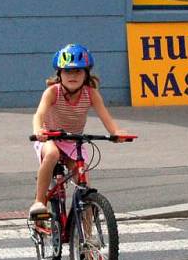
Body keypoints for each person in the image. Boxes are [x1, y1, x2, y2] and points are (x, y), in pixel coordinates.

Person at [30, 44, 129, 218]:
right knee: (52, 155)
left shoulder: (91, 94)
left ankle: (88, 238)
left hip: (73, 141)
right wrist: (39, 130)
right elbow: (38, 115)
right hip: (49, 138)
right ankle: (39, 201)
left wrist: (116, 132)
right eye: (67, 72)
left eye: (78, 72)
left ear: (86, 74)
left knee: (84, 185)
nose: (73, 76)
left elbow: (106, 118)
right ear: (59, 74)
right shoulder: (53, 92)